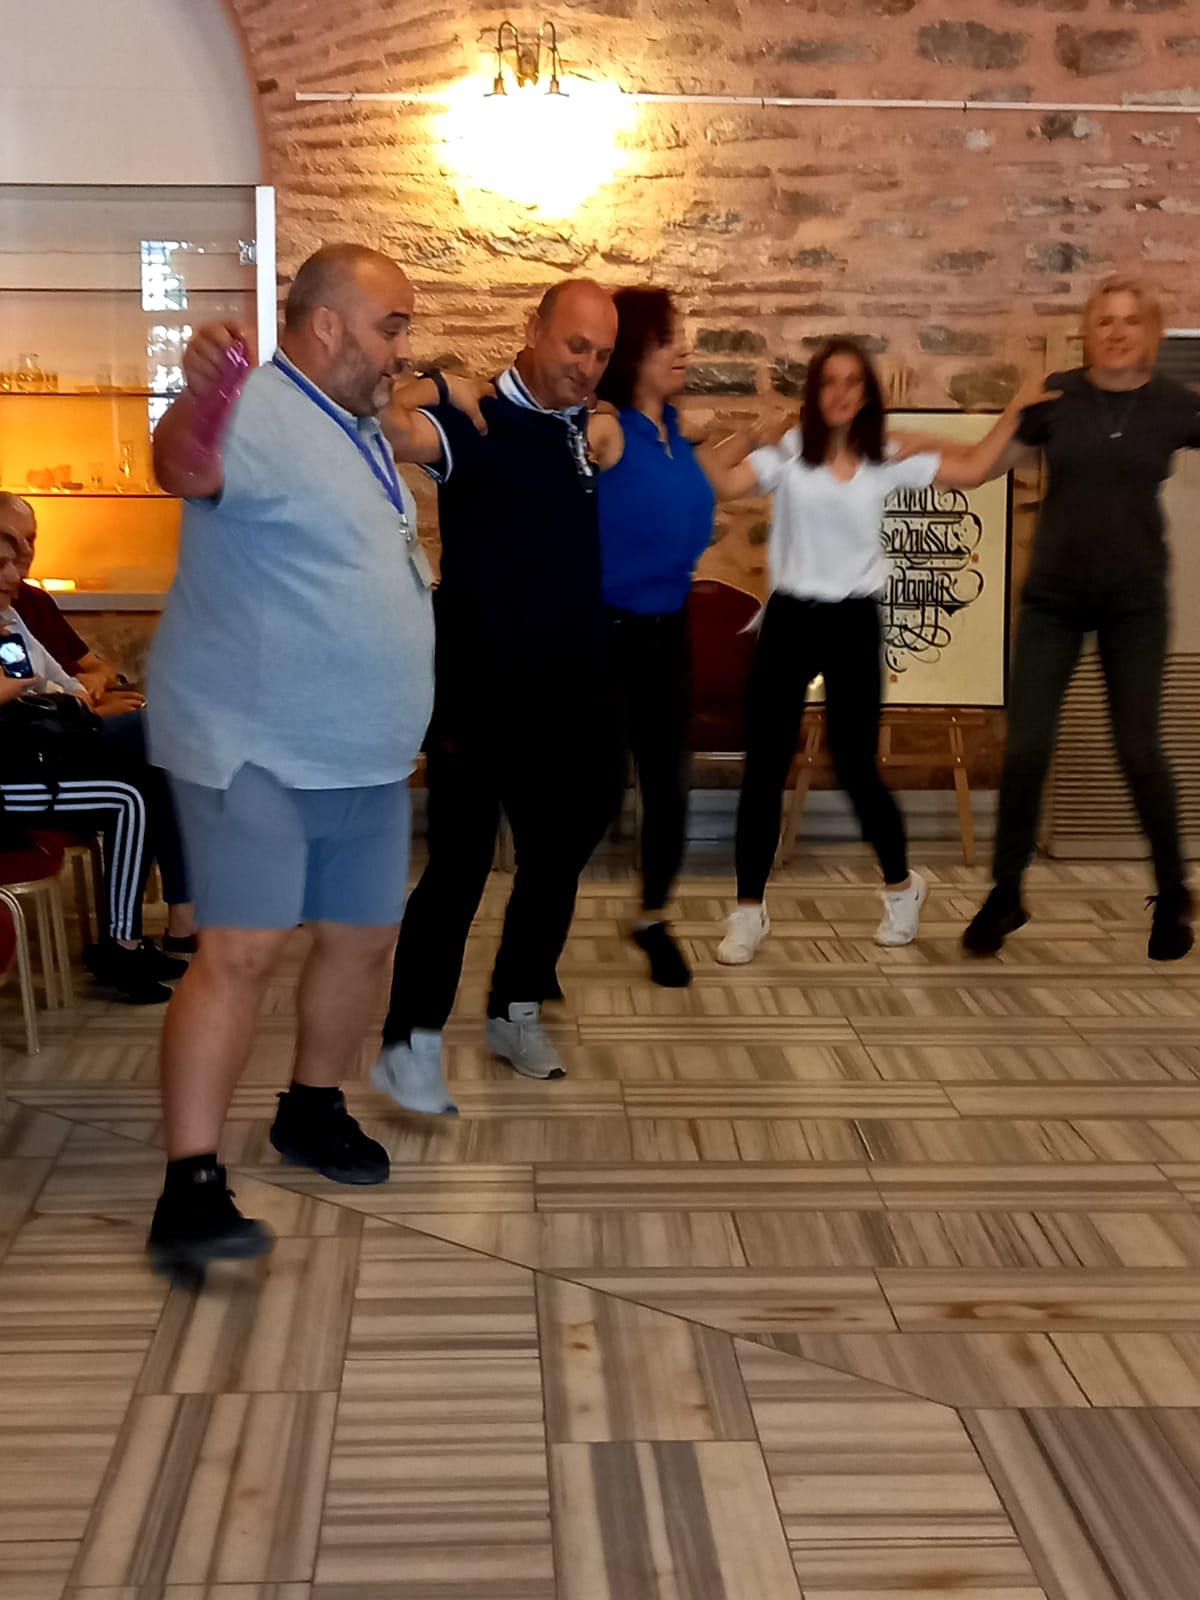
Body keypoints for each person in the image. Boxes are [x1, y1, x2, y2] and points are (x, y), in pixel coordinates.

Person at [144, 243, 485, 1274]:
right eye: (393, 326)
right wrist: (201, 392)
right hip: (254, 746)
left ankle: (311, 1106)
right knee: (242, 952)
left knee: (362, 941)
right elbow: (182, 467)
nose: (404, 348)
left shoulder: (357, 422)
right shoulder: (253, 406)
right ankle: (190, 1183)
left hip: (361, 753)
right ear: (328, 324)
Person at [370, 278, 624, 1117]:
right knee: (460, 865)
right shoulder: (472, 421)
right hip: (480, 691)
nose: (587, 366)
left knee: (557, 857)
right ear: (533, 330)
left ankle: (515, 1008)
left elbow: (609, 426)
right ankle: (409, 1042)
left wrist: (606, 414)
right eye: (575, 346)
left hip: (572, 690)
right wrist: (437, 385)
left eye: (601, 354)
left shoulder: (581, 427)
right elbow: (377, 423)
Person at [699, 338, 1038, 963]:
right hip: (789, 619)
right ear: (815, 391)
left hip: (852, 622)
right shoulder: (791, 451)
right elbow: (716, 483)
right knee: (765, 768)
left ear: (866, 393)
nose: (840, 392)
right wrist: (750, 434)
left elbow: (976, 469)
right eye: (829, 381)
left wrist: (1017, 408)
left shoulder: (886, 455)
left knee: (856, 768)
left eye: (852, 381)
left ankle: (902, 888)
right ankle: (748, 912)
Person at [960, 275, 1198, 961]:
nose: (1117, 333)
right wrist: (1009, 409)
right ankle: (1006, 893)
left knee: (1139, 749)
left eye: (1130, 322)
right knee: (1026, 749)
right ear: (1087, 333)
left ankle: (1172, 893)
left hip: (1135, 605)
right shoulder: (1057, 397)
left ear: (1150, 335)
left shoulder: (1174, 405)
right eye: (1104, 321)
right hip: (1053, 602)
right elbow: (979, 469)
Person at [0, 497, 198, 957]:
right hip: (26, 761)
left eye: (26, 546)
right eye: (6, 559)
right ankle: (175, 917)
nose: (18, 567)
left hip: (54, 737)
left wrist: (76, 698)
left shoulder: (18, 613)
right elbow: (32, 697)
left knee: (156, 768)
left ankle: (143, 932)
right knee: (162, 740)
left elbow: (72, 680)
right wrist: (66, 701)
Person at [586, 287, 716, 988]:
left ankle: (653, 918)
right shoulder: (610, 431)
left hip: (671, 630)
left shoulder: (674, 434)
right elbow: (574, 444)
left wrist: (762, 441)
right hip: (609, 635)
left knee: (670, 789)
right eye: (668, 339)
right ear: (635, 351)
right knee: (599, 793)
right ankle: (536, 925)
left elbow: (710, 487)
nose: (683, 350)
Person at [0, 492, 128, 707]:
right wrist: (96, 713)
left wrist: (93, 686)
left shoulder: (29, 607)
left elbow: (80, 675)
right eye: (2, 563)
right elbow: (25, 699)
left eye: (30, 540)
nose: (26, 550)